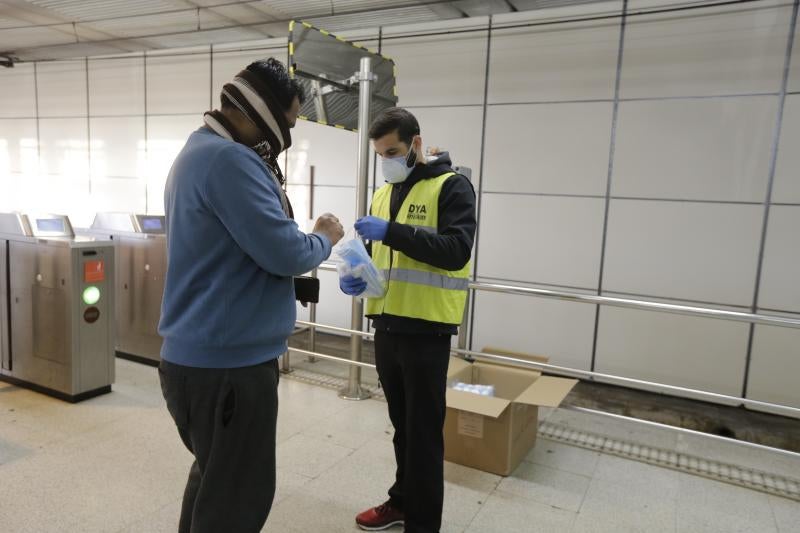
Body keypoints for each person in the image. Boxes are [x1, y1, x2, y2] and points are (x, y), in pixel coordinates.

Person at [158, 58, 344, 533]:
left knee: (215, 482)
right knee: (237, 501)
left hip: (202, 361)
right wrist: (323, 237)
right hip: (230, 368)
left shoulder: (197, 151)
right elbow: (284, 251)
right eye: (288, 123)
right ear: (260, 112)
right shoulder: (230, 160)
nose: (287, 137)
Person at [340, 107, 477, 533]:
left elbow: (456, 250)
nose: (387, 162)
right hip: (387, 325)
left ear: (416, 143)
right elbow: (380, 257)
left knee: (423, 434)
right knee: (402, 427)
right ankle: (401, 502)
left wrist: (392, 232)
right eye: (380, 155)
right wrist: (356, 276)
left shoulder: (451, 187)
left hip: (426, 329)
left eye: (393, 152)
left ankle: (423, 523)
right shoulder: (384, 194)